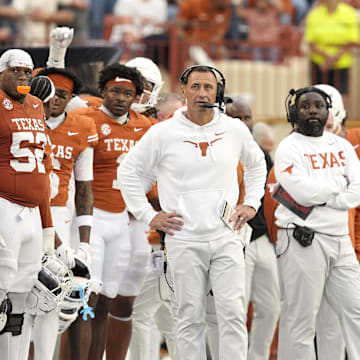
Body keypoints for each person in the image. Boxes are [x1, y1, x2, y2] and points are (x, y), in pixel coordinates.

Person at [118, 65, 267, 360]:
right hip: (183, 239)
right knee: (188, 317)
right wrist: (148, 215)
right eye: (196, 87)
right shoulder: (162, 133)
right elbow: (128, 173)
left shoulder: (234, 129)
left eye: (208, 87)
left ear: (217, 92)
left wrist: (251, 203)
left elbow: (257, 165)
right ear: (183, 90)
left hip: (227, 236)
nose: (202, 93)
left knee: (233, 314)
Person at [72, 63, 152, 360]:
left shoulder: (144, 126)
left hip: (122, 219)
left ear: (136, 97)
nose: (120, 98)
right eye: (115, 91)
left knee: (106, 301)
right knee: (85, 300)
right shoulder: (85, 118)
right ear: (103, 90)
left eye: (127, 93)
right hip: (91, 219)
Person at [275, 86, 360, 360]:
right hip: (303, 241)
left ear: (328, 112)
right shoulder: (288, 148)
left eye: (319, 106)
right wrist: (339, 185)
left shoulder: (343, 147)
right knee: (302, 321)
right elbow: (301, 193)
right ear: (293, 112)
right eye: (305, 106)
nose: (312, 111)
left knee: (355, 311)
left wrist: (323, 195)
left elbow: (357, 191)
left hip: (341, 241)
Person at [29, 66, 98, 360]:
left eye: (63, 94)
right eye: (50, 92)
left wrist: (84, 242)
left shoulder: (81, 127)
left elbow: (84, 188)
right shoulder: (19, 119)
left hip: (59, 213)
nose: (54, 99)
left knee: (54, 297)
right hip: (19, 208)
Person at [0, 49, 54, 360]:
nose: (23, 76)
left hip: (32, 212)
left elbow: (42, 167)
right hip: (4, 206)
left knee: (22, 298)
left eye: (28, 72)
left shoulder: (35, 105)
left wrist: (48, 227)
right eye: (16, 70)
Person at [305, 0, 359, 95]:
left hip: (342, 63)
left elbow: (353, 41)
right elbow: (310, 42)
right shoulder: (314, 14)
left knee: (341, 97)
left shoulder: (349, 13)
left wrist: (332, 59)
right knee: (318, 96)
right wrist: (327, 57)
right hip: (319, 63)